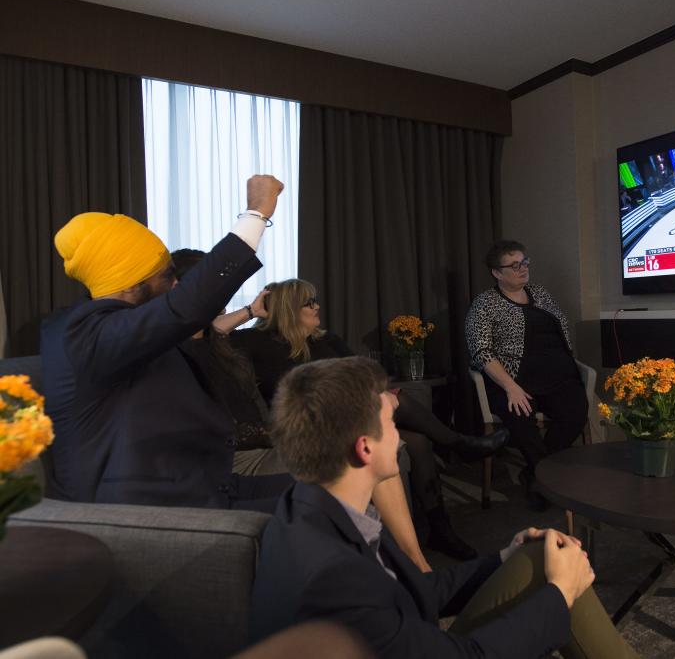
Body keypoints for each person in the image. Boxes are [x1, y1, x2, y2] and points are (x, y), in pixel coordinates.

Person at [249, 356, 639, 659]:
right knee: (558, 576)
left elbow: (417, 590)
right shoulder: (335, 581)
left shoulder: (318, 509)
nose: (400, 432)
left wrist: (504, 557)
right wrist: (559, 592)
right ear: (364, 448)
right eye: (391, 421)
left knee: (541, 552)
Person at [45, 175, 291, 510]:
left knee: (341, 489)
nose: (176, 285)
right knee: (329, 510)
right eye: (167, 276)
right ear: (131, 283)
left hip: (202, 485)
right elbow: (184, 308)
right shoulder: (83, 335)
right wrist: (256, 213)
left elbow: (193, 322)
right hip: (143, 509)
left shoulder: (125, 332)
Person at [231, 278, 506, 561]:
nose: (317, 307)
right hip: (310, 425)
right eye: (309, 302)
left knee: (417, 439)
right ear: (289, 309)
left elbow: (365, 374)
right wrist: (250, 312)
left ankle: (440, 527)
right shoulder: (256, 342)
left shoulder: (326, 340)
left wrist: (377, 394)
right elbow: (208, 334)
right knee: (395, 402)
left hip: (351, 413)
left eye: (315, 300)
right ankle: (458, 443)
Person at [465, 240, 588, 510]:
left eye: (524, 262)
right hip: (514, 380)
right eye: (514, 265)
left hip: (559, 378)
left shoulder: (540, 294)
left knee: (576, 413)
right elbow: (481, 351)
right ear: (497, 273)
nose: (523, 269)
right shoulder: (484, 304)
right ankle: (547, 480)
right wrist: (510, 387)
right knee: (521, 418)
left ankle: (536, 474)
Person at [170, 248, 283, 477]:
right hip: (231, 461)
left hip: (264, 450)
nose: (225, 293)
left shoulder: (222, 348)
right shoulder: (173, 353)